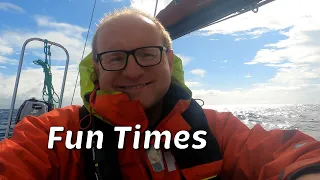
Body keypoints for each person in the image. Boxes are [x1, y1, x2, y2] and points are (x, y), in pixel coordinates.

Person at [0, 7, 320, 180]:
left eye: (148, 53)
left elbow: (287, 151)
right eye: (115, 57)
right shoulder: (52, 134)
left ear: (168, 59)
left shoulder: (214, 129)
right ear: (95, 69)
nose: (133, 70)